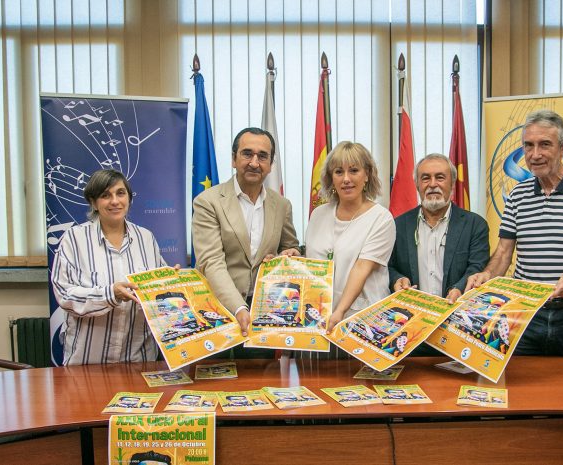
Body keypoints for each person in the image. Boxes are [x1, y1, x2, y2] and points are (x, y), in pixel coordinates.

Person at [466, 109, 563, 357]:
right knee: (521, 387)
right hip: (524, 312)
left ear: (562, 148)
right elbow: (504, 253)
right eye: (528, 146)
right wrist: (486, 275)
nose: (535, 154)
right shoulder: (517, 195)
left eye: (544, 145)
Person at [193, 127, 301, 342]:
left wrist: (290, 255)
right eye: (247, 154)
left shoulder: (281, 205)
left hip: (266, 314)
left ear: (270, 164)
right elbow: (211, 262)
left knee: (262, 376)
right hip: (217, 312)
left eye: (262, 156)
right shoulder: (208, 202)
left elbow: (290, 247)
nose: (254, 162)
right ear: (234, 159)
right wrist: (239, 307)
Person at [52, 169, 166, 365]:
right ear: (93, 202)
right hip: (88, 361)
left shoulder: (146, 238)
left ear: (129, 198)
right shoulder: (74, 239)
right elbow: (65, 295)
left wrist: (171, 280)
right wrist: (110, 294)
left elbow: (157, 289)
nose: (115, 201)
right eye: (105, 195)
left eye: (120, 193)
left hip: (138, 358)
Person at [305, 142, 396, 341]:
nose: (346, 179)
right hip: (318, 321)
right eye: (339, 172)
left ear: (367, 175)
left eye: (354, 171)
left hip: (363, 323)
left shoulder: (381, 218)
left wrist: (339, 312)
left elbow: (361, 268)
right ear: (331, 178)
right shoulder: (318, 214)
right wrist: (292, 259)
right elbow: (312, 264)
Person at [388, 153, 490, 303]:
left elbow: (477, 267)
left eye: (440, 177)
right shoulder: (397, 225)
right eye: (425, 178)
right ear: (417, 185)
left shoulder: (475, 225)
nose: (432, 184)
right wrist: (397, 279)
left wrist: (459, 288)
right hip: (413, 316)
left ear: (453, 183)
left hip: (458, 312)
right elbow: (387, 267)